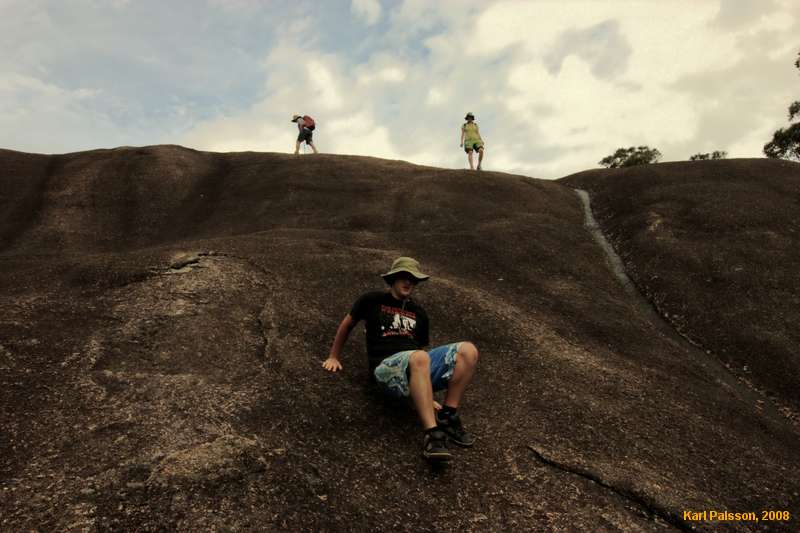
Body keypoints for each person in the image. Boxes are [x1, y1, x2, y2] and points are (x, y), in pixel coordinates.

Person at [322, 257, 480, 462]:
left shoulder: (419, 313)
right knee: (420, 357)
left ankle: (448, 416)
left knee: (468, 350)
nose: (409, 282)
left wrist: (425, 393)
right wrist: (333, 356)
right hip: (385, 369)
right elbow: (347, 325)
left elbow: (420, 352)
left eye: (413, 279)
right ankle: (432, 436)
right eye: (404, 277)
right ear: (393, 279)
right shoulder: (371, 300)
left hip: (413, 364)